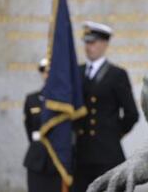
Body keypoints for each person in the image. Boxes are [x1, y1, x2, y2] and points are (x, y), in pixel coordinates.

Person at [73, 21, 139, 192]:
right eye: (86, 42)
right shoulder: (76, 73)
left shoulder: (117, 74)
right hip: (80, 153)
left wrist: (113, 133)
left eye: (93, 42)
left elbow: (132, 113)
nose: (89, 47)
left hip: (107, 152)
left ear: (104, 44)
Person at [23, 58, 62, 192]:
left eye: (51, 71)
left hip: (59, 160)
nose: (47, 74)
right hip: (37, 159)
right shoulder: (32, 99)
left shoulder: (64, 100)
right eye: (44, 71)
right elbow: (29, 128)